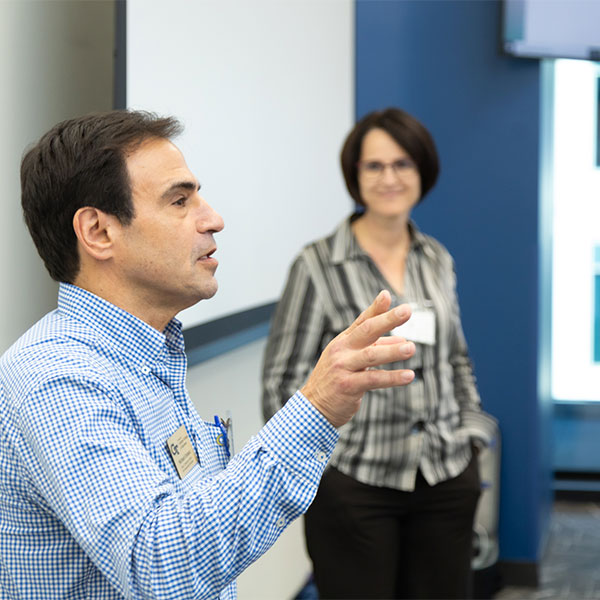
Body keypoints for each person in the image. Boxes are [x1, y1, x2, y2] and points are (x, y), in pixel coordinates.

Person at [0, 110, 418, 599]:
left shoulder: (147, 356)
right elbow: (159, 561)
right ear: (98, 232)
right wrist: (316, 409)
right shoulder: (57, 378)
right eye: (180, 200)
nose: (213, 219)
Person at [262, 107, 497, 600]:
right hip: (355, 486)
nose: (389, 177)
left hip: (445, 473)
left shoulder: (436, 257)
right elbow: (281, 382)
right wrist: (324, 467)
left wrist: (472, 434)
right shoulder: (317, 265)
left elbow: (456, 358)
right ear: (355, 175)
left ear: (422, 171)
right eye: (374, 166)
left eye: (402, 164)